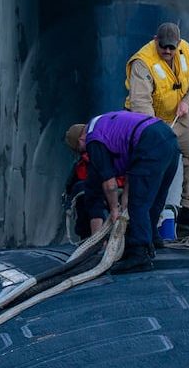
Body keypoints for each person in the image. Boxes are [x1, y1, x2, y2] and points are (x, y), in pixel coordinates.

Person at [65, 112, 179, 274]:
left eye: (80, 151)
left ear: (81, 141)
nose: (85, 155)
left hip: (150, 142)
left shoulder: (93, 139)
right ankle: (153, 239)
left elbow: (110, 185)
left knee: (138, 203)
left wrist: (114, 209)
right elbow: (131, 168)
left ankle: (139, 254)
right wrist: (124, 197)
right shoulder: (107, 127)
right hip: (168, 137)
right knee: (155, 197)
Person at [125, 22, 189, 231]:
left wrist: (188, 101)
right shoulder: (142, 63)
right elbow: (140, 103)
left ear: (178, 44)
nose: (167, 51)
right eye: (163, 46)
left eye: (172, 47)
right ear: (156, 40)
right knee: (158, 167)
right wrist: (157, 133)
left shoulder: (188, 52)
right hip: (151, 123)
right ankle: (148, 222)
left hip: (179, 118)